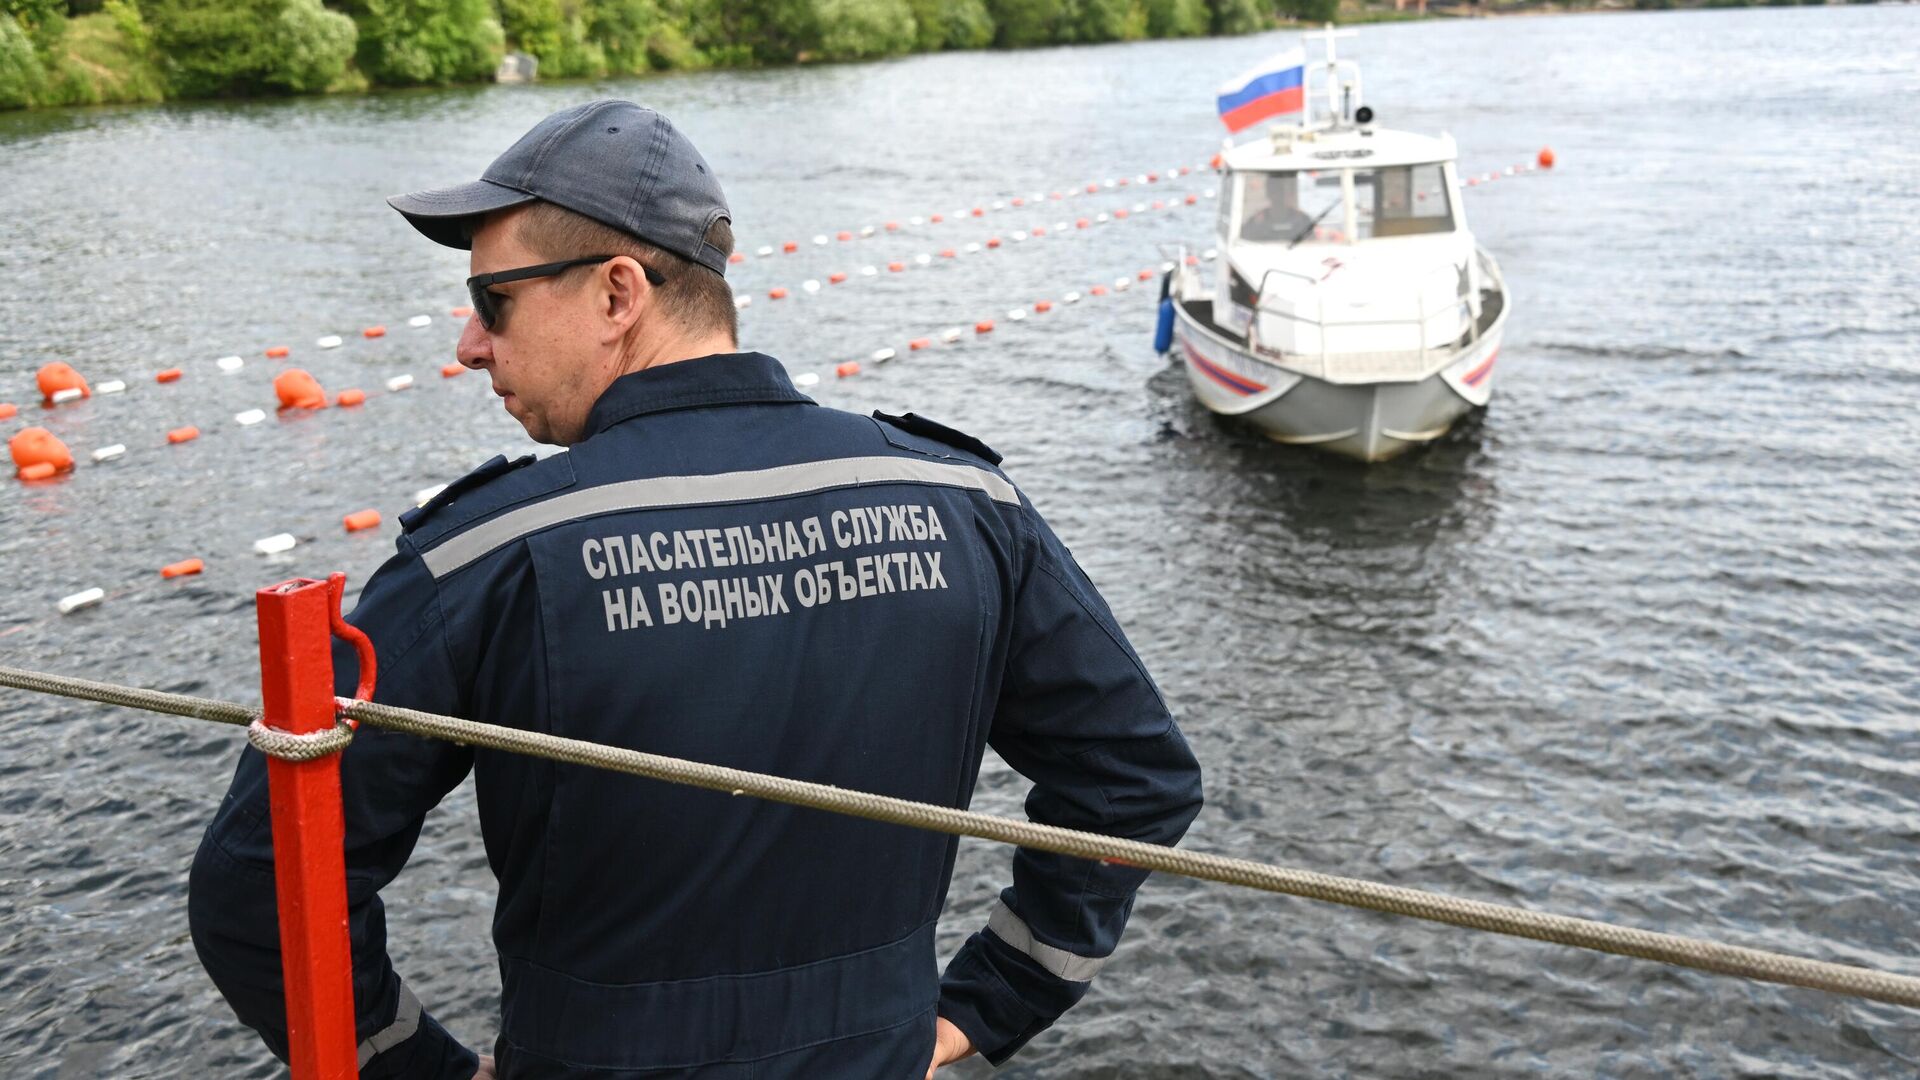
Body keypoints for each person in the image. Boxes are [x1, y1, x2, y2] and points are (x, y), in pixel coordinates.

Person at [189, 99, 1204, 1080]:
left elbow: (258, 889)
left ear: (617, 294)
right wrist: (982, 1009)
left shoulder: (487, 554)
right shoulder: (966, 503)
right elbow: (1132, 781)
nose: (469, 343)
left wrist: (423, 1070)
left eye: (493, 301)